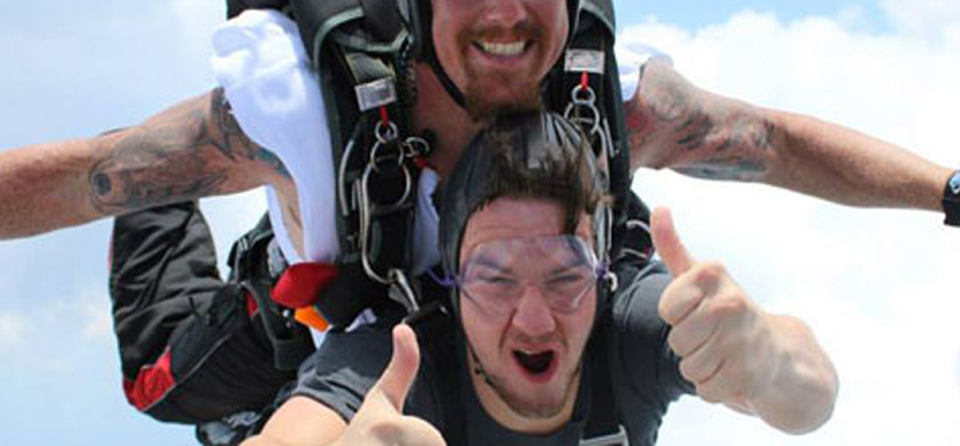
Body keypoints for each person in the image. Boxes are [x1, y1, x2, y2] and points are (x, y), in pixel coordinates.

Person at [0, 0, 951, 440]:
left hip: (433, 316)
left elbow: (772, 146)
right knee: (167, 385)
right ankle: (225, 241)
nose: (505, 11)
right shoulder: (306, 109)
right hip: (336, 299)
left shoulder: (615, 105)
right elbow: (93, 173)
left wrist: (948, 191)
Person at [247, 110, 839, 445]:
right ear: (451, 283)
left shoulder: (631, 329)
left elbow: (810, 398)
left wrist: (767, 359)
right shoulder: (400, 362)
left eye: (564, 274)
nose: (533, 318)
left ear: (604, 273)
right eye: (495, 277)